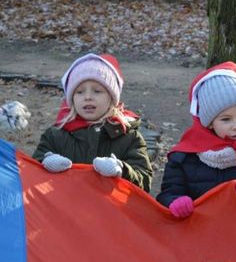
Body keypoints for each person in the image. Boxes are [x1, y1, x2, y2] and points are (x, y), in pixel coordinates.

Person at [156, 61, 236, 224]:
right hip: (198, 240)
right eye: (226, 119)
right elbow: (167, 195)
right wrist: (174, 202)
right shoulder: (183, 158)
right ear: (209, 122)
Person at [33, 53, 153, 192]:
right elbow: (32, 172)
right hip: (66, 210)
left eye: (97, 91)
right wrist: (45, 162)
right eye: (79, 92)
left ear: (111, 98)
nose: (88, 97)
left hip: (110, 211)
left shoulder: (130, 138)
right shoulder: (55, 136)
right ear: (71, 99)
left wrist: (122, 170)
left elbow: (144, 182)